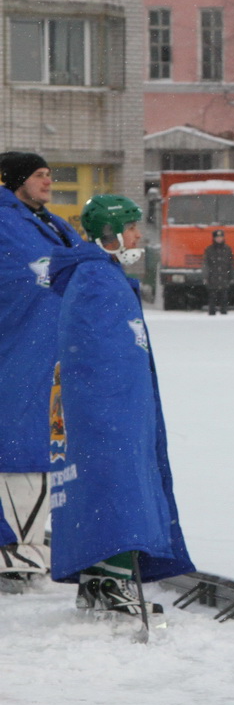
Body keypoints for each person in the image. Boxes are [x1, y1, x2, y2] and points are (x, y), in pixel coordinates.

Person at [45, 195, 194, 616]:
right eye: (130, 228)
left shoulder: (102, 274)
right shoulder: (95, 277)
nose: (138, 236)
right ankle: (112, 579)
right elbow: (93, 354)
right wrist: (112, 412)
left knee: (114, 487)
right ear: (108, 234)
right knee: (116, 487)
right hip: (109, 411)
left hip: (120, 406)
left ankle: (100, 579)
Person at [0, 151, 78, 593]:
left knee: (45, 440)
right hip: (18, 349)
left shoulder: (51, 223)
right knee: (19, 438)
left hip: (51, 353)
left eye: (50, 174)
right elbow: (21, 276)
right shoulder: (6, 222)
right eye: (39, 175)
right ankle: (14, 547)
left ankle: (25, 546)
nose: (48, 182)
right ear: (15, 180)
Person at [203, 229, 234, 315]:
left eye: (221, 237)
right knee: (212, 297)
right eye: (217, 237)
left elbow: (231, 264)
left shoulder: (227, 249)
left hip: (224, 277)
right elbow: (206, 264)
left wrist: (232, 276)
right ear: (214, 238)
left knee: (224, 298)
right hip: (213, 277)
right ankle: (211, 313)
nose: (219, 239)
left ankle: (224, 313)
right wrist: (206, 276)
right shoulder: (209, 249)